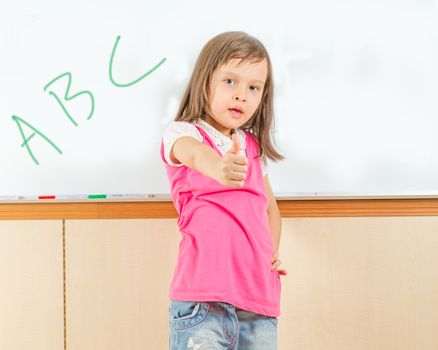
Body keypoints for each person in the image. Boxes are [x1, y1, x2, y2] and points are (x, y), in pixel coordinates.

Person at [160, 31, 287, 350]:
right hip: (203, 302)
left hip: (258, 303)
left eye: (253, 87)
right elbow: (193, 154)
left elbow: (270, 208)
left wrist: (269, 253)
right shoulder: (183, 133)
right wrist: (219, 168)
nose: (241, 95)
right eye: (230, 81)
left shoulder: (253, 148)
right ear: (205, 81)